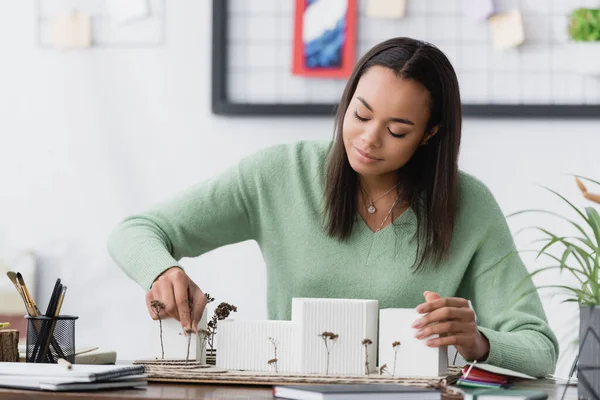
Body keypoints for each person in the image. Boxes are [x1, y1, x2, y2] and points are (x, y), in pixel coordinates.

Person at [108, 37, 558, 377]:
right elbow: (137, 230)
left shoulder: (468, 206)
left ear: (430, 134)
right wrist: (163, 272)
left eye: (397, 130)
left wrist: (478, 341)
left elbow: (539, 347)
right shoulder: (279, 174)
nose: (368, 139)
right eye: (360, 115)